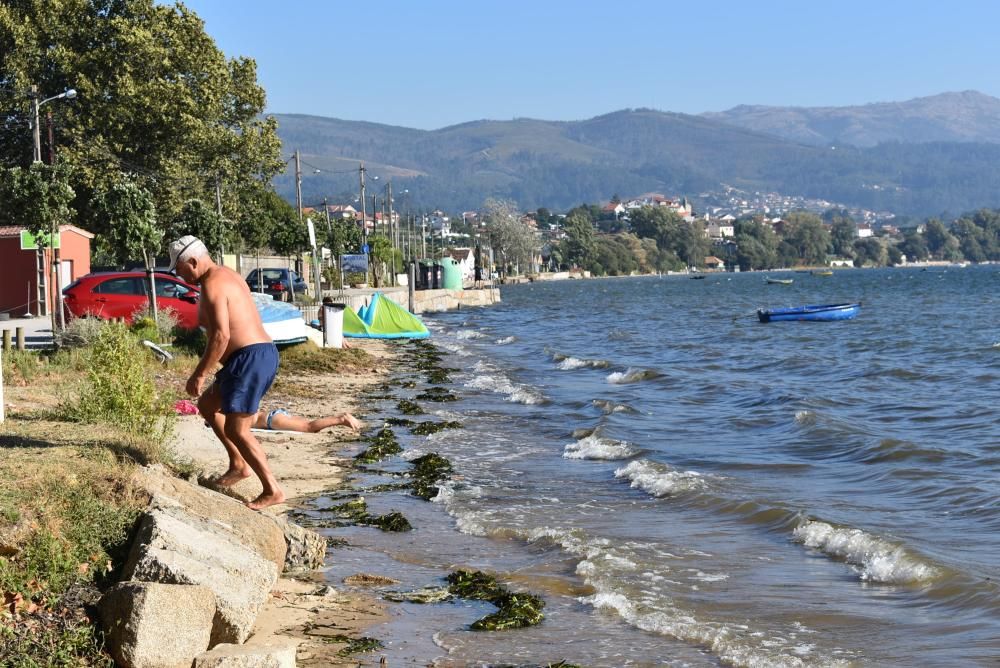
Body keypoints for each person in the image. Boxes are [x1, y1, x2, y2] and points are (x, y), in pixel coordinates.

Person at [168, 235, 285, 511]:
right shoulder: (225, 275)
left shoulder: (213, 284)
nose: (178, 275)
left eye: (179, 268)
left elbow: (221, 335)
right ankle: (238, 464)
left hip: (251, 358)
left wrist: (199, 374)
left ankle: (272, 489)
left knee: (237, 427)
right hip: (248, 358)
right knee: (208, 405)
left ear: (193, 262)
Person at [255, 407, 362, 433]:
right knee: (308, 423)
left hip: (271, 420)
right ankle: (342, 417)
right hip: (272, 416)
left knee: (309, 427)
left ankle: (340, 419)